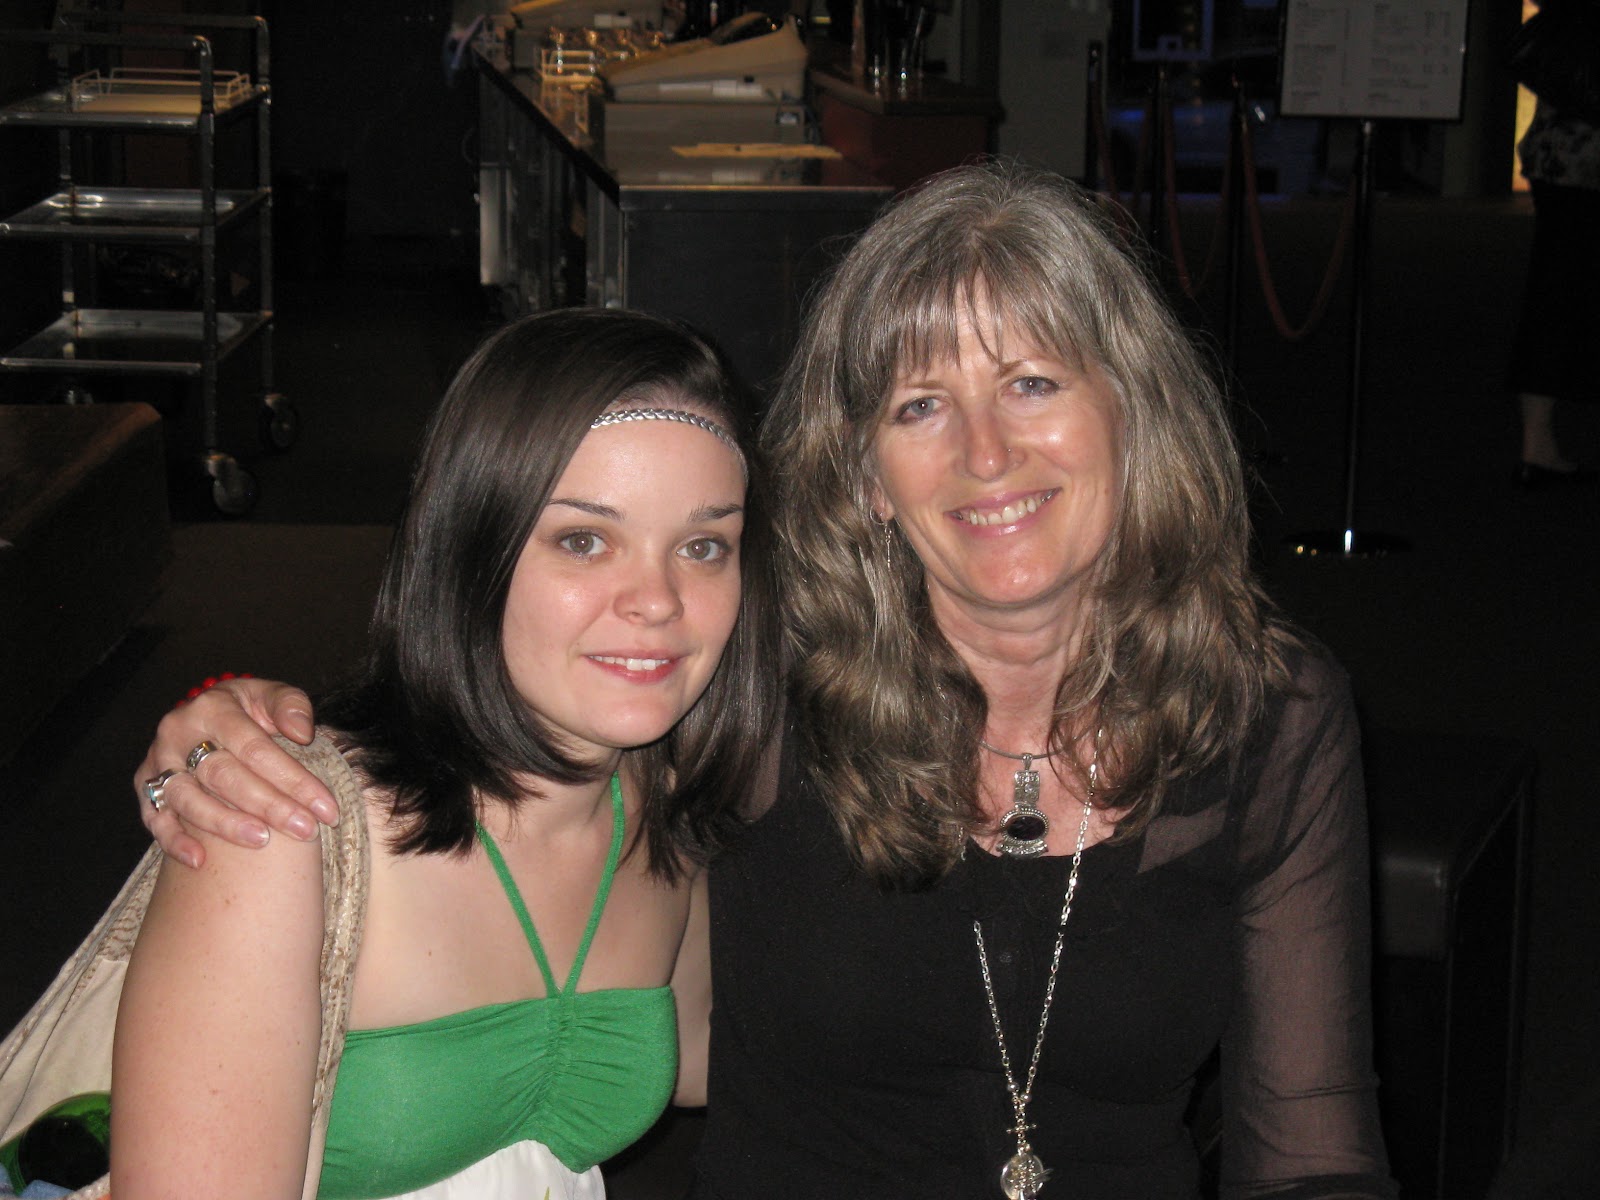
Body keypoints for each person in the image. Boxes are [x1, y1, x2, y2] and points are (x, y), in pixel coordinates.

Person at [132, 162, 1395, 1199]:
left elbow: (1313, 1144)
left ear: (1132, 411)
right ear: (864, 474)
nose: (985, 452)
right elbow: (511, 692)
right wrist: (230, 720)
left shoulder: (1269, 715)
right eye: (918, 405)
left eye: (1030, 382)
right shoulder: (760, 684)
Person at [112, 306, 778, 1200]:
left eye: (703, 546)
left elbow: (706, 1056)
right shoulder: (280, 827)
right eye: (584, 540)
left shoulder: (657, 799)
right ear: (472, 551)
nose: (657, 599)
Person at [1507, 0, 1600, 489]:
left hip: (1557, 156)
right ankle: (1538, 445)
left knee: (1553, 295)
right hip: (1585, 161)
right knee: (1561, 298)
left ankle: (1536, 443)